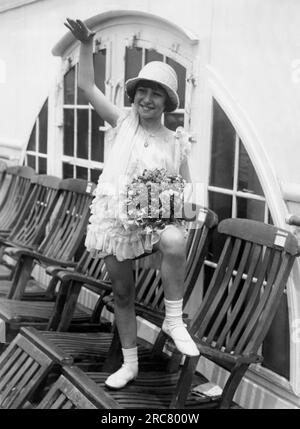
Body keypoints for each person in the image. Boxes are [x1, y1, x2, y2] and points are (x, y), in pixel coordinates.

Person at [64, 18, 199, 390]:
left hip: (153, 221)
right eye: (143, 91)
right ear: (134, 94)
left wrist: (178, 210)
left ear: (167, 102)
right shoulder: (123, 121)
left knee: (174, 239)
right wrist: (87, 46)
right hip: (114, 220)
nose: (147, 99)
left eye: (156, 94)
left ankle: (174, 319)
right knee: (123, 292)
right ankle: (130, 363)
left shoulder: (176, 141)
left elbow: (185, 191)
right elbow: (86, 85)